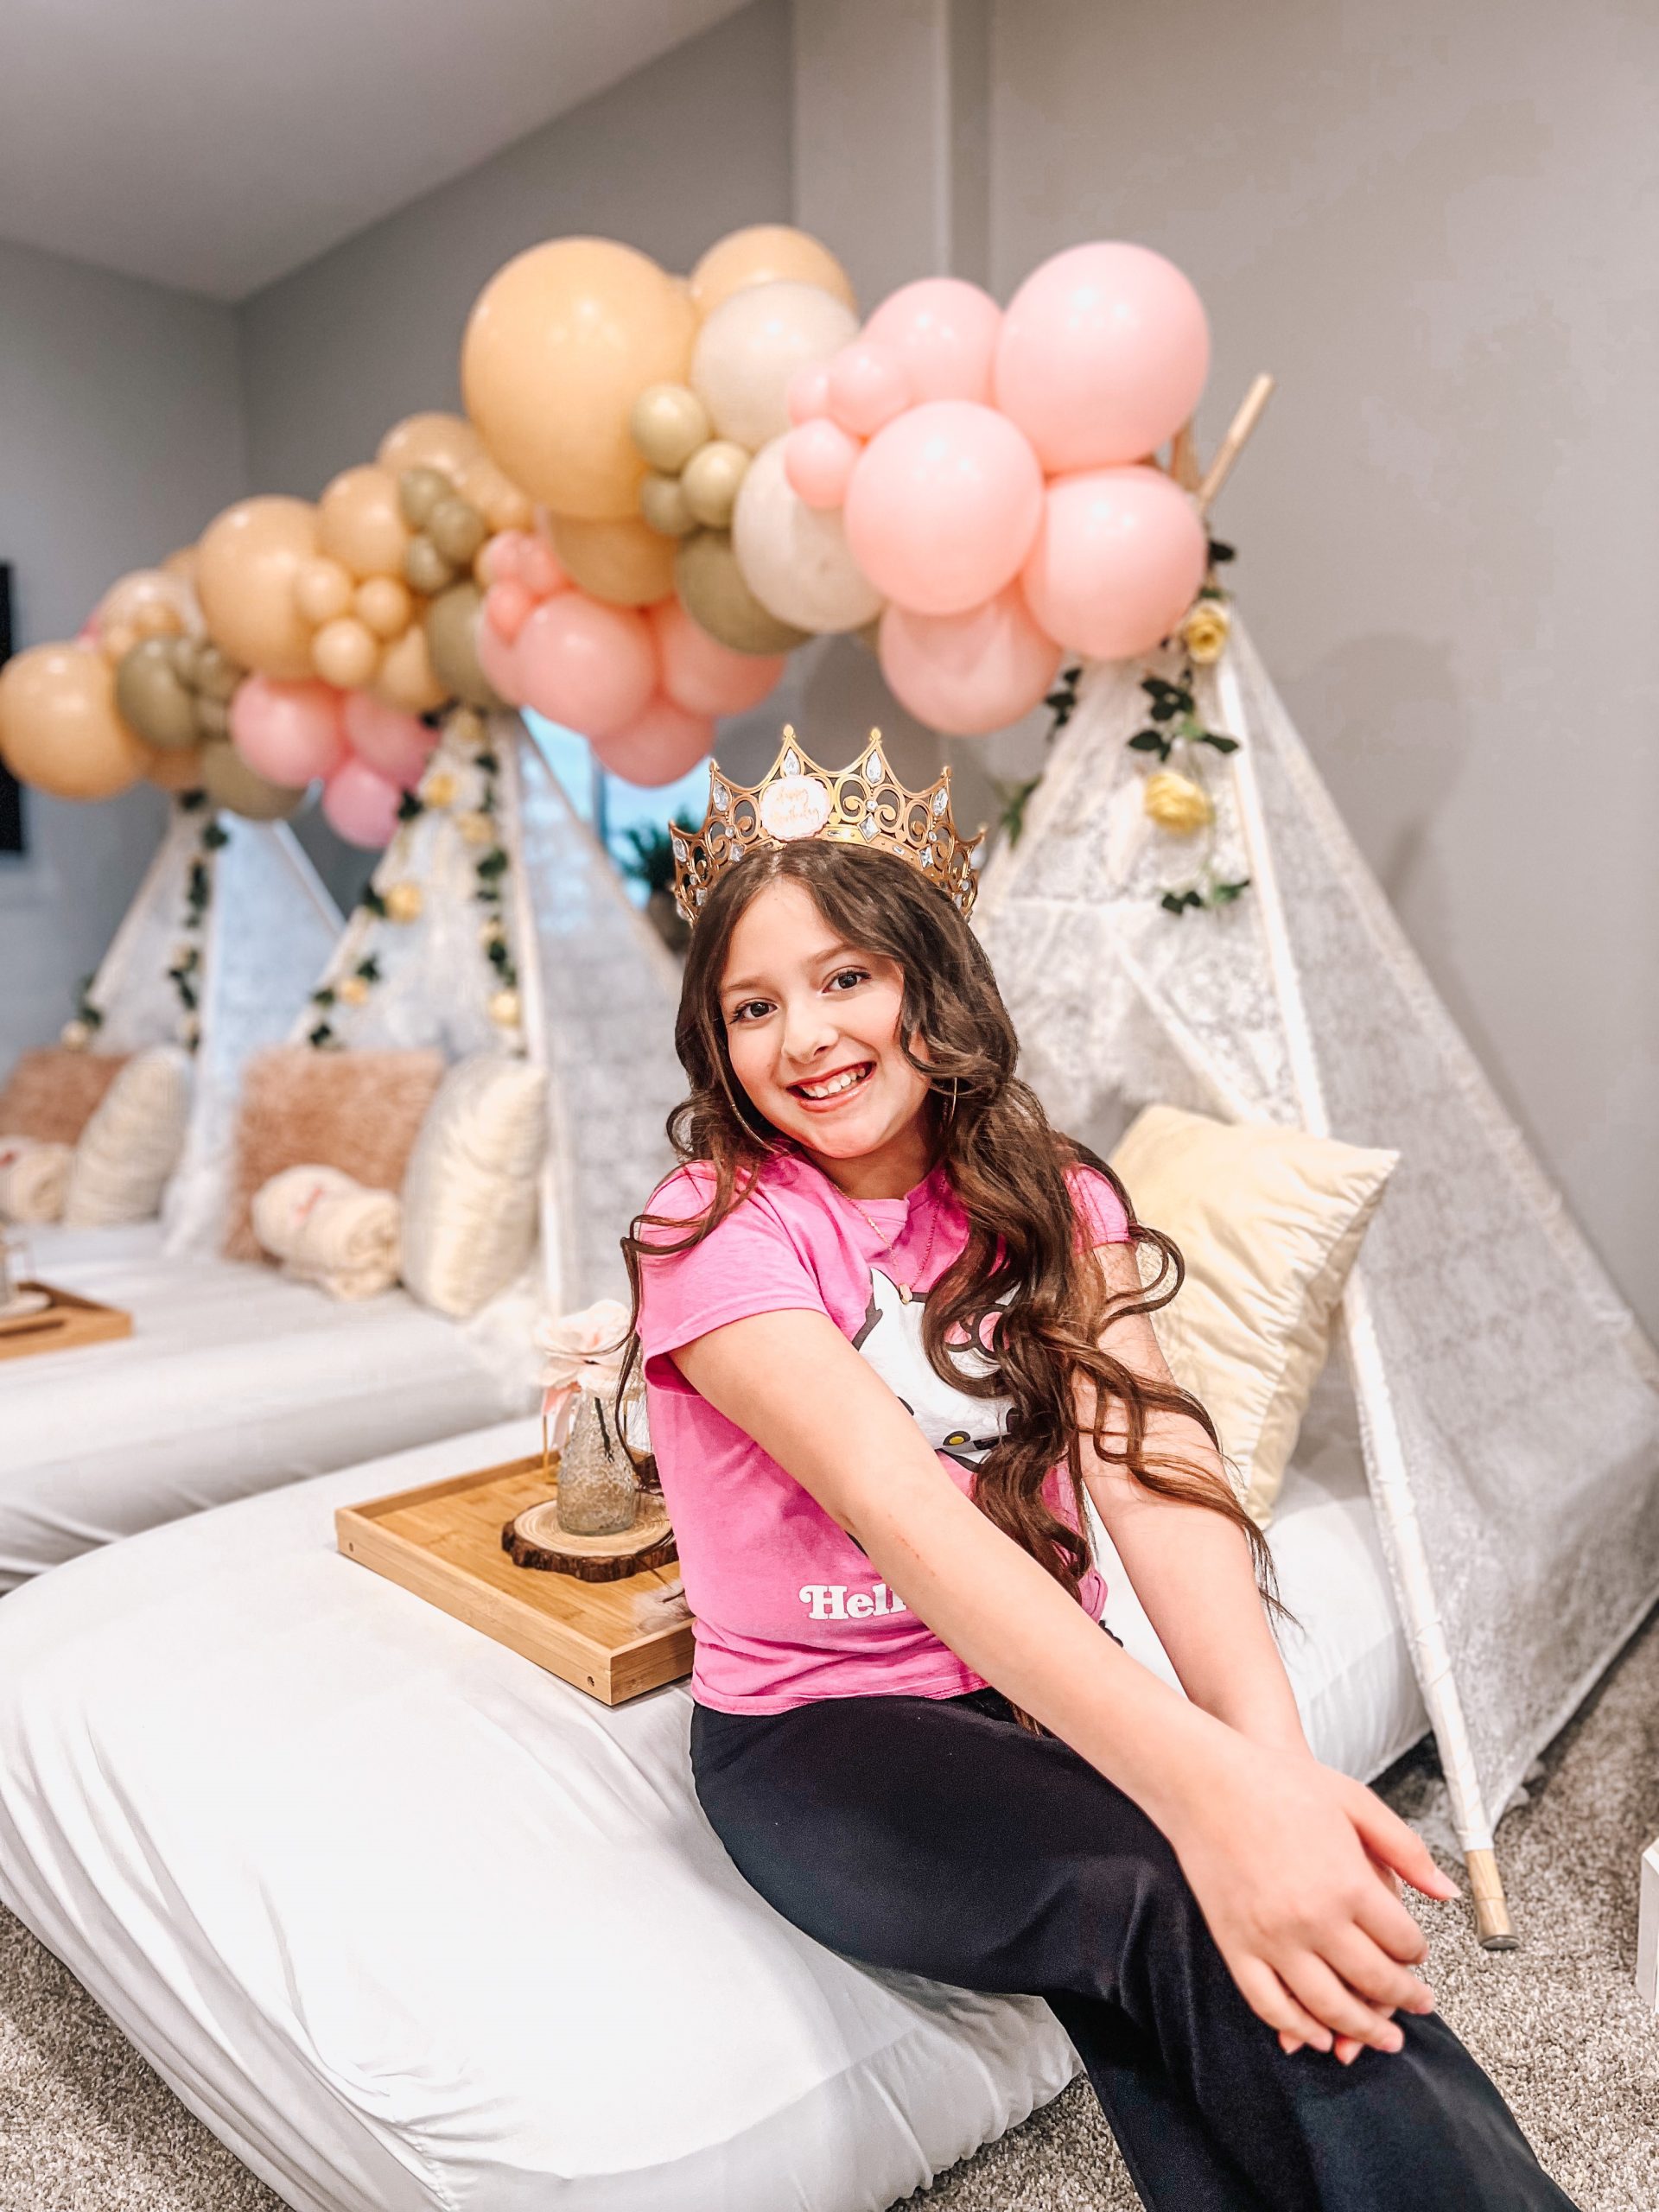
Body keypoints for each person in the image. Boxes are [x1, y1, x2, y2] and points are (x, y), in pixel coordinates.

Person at [622, 732, 1578, 2211]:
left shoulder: (1057, 1194)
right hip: (823, 1736)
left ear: (928, 984)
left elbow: (1150, 1459)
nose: (802, 1035)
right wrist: (1215, 1805)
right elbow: (903, 1515)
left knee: (1222, 1891)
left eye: (846, 978)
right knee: (1167, 1893)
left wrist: (1271, 1773)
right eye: (754, 1006)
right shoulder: (711, 1227)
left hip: (1018, 1685)